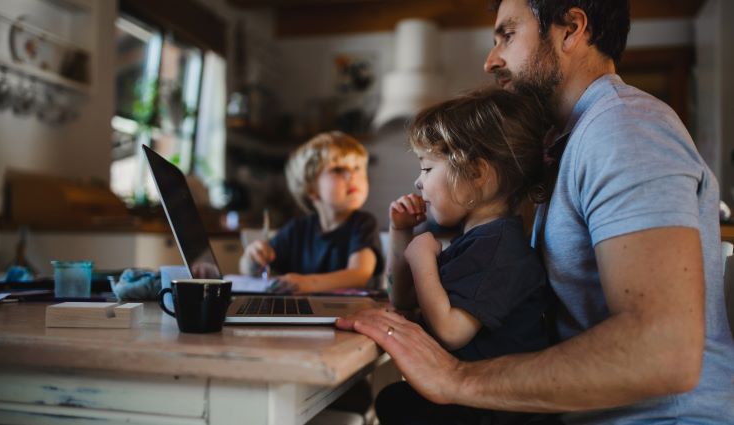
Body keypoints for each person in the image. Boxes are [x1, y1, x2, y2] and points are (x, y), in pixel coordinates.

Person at [336, 0, 734, 423]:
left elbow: (664, 351)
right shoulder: (569, 142)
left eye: (507, 35)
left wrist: (457, 379)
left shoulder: (623, 129)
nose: (491, 60)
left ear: (571, 29)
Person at [377, 88, 558, 425]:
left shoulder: (500, 249)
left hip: (496, 413)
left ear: (476, 173)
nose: (418, 182)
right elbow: (400, 297)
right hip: (473, 404)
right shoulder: (475, 241)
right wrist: (401, 233)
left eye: (428, 168)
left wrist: (422, 259)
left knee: (397, 403)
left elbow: (450, 330)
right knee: (394, 400)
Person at [239, 131, 383, 293]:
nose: (352, 175)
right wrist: (252, 259)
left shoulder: (363, 224)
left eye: (357, 167)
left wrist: (308, 283)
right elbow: (249, 270)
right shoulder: (297, 229)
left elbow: (358, 275)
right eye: (338, 169)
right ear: (311, 189)